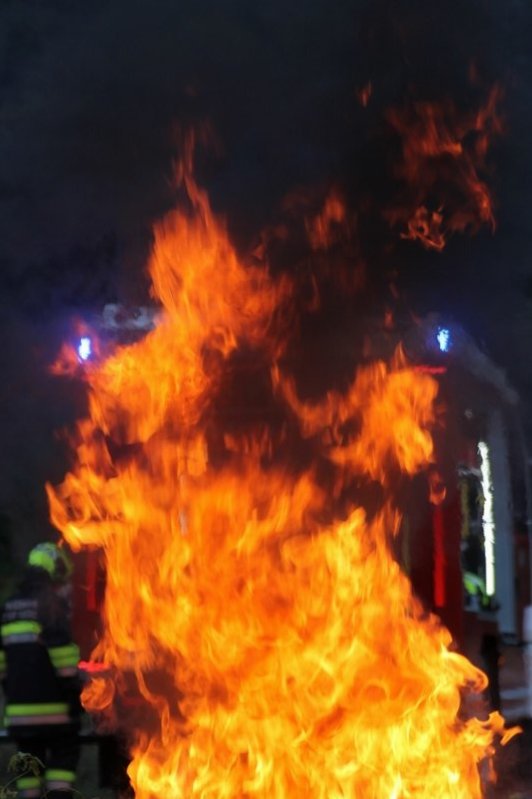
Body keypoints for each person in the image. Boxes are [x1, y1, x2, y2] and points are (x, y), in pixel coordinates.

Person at [0, 542, 82, 798]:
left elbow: (2, 665)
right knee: (62, 760)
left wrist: (12, 694)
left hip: (18, 715)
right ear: (54, 573)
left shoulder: (8, 607)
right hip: (56, 714)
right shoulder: (52, 604)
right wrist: (75, 698)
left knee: (28, 769)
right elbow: (64, 660)